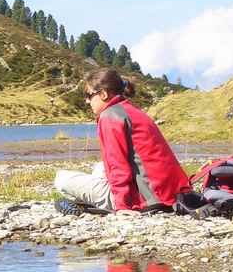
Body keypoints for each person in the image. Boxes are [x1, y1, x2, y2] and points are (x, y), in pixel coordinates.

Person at [55, 68, 190, 215]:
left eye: (89, 95)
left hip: (145, 198)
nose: (87, 101)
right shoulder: (130, 110)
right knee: (100, 168)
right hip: (170, 194)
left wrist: (123, 206)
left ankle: (102, 204)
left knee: (61, 178)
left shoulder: (109, 116)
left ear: (103, 94)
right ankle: (93, 200)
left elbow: (118, 164)